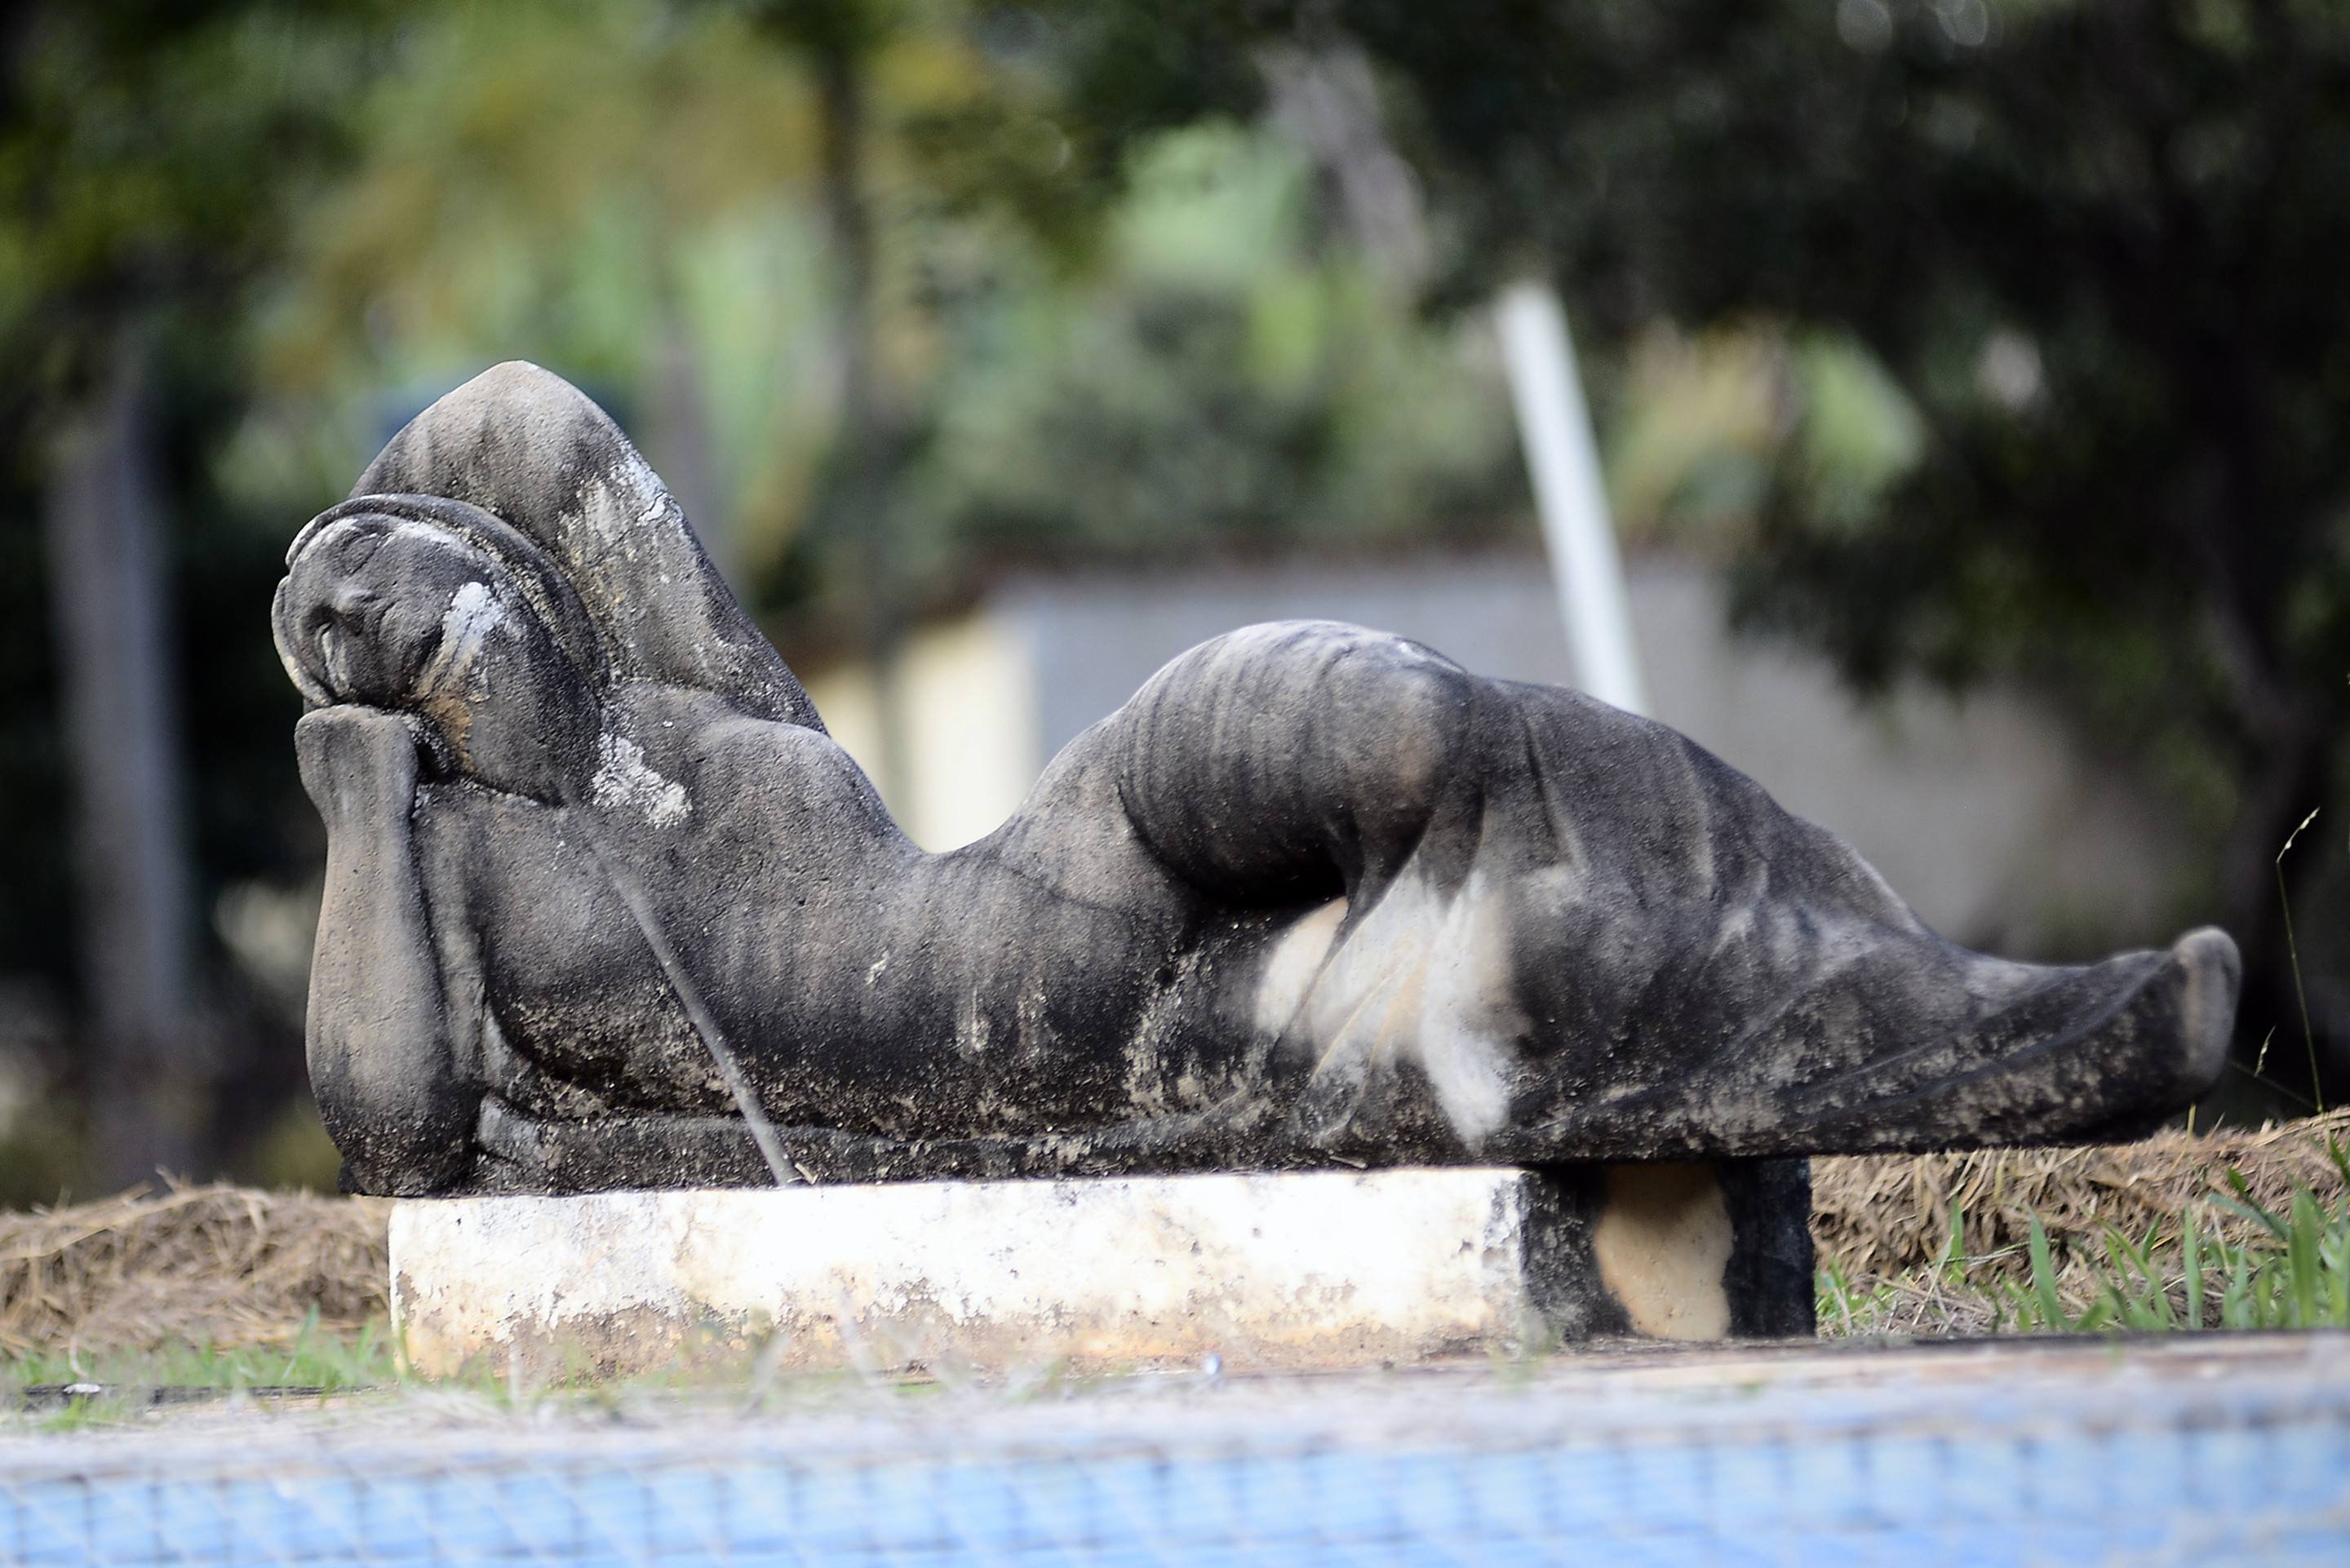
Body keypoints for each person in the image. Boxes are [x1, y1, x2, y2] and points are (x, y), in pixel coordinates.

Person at [275, 364, 2239, 1196]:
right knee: (1497, 989)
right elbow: (393, 1144)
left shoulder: (684, 713)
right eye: (343, 650)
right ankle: (2001, 1040)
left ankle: (1878, 927)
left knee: (1381, 716)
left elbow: (529, 426)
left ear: (492, 557)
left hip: (1063, 861)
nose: (379, 624)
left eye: (388, 572)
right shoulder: (452, 880)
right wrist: (360, 784)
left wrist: (412, 495)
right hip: (1110, 1039)